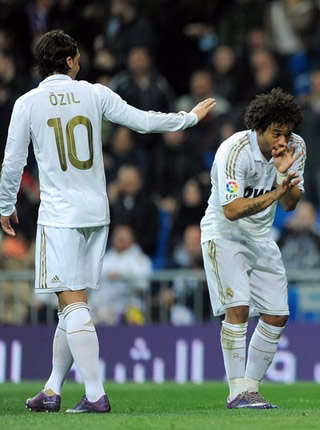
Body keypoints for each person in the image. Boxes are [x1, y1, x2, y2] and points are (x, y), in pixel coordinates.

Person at [0, 29, 215, 413]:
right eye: (77, 56)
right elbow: (144, 121)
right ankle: (51, 389)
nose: (81, 61)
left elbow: (13, 161)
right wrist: (188, 119)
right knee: (74, 304)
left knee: (71, 303)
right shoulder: (94, 93)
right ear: (68, 60)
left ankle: (96, 394)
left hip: (60, 215)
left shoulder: (27, 103)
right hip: (97, 213)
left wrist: (4, 205)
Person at [200, 87, 306, 409]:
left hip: (261, 238)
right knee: (239, 308)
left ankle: (251, 389)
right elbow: (231, 209)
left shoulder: (296, 147)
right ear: (259, 128)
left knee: (277, 315)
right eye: (276, 133)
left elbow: (289, 205)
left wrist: (284, 175)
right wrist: (275, 192)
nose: (282, 141)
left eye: (287, 133)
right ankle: (235, 392)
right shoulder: (233, 152)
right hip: (224, 234)